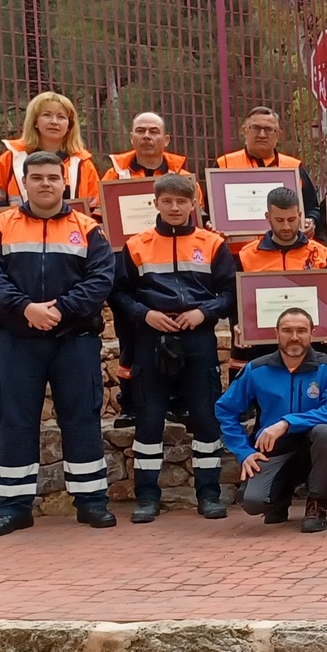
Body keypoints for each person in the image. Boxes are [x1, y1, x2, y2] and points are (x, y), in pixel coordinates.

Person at [0, 151, 117, 535]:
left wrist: (60, 311)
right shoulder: (0, 227)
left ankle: (91, 502)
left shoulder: (88, 228)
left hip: (74, 338)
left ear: (64, 183)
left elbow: (101, 278)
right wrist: (25, 309)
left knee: (82, 417)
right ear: (24, 182)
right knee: (16, 421)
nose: (46, 183)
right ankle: (14, 507)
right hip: (17, 339)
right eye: (37, 177)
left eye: (53, 177)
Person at [112, 172, 237, 522]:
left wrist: (204, 311)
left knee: (204, 417)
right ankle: (147, 497)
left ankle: (209, 494)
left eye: (182, 201)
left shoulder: (212, 243)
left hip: (197, 336)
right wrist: (145, 315)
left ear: (194, 204)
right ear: (155, 203)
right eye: (167, 201)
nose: (174, 207)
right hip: (152, 337)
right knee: (149, 419)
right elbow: (119, 294)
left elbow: (230, 293)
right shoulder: (136, 244)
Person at [218, 306, 327, 532]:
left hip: (313, 444)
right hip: (275, 450)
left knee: (325, 432)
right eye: (287, 330)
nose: (294, 337)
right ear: (276, 333)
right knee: (253, 502)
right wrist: (243, 451)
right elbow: (225, 409)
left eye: (301, 330)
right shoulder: (257, 369)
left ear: (312, 333)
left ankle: (317, 503)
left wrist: (287, 422)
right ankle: (279, 498)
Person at [230, 186, 327, 372]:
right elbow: (234, 298)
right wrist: (238, 325)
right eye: (279, 220)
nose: (286, 226)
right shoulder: (246, 255)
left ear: (300, 215)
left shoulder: (320, 253)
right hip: (260, 346)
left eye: (292, 220)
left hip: (310, 345)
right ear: (267, 217)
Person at [0, 91, 101, 208]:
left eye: (61, 117)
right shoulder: (11, 158)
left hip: (72, 226)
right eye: (47, 115)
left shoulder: (83, 164)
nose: (54, 122)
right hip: (18, 226)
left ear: (69, 126)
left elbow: (96, 209)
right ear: (35, 122)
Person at [105, 112, 191, 181]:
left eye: (154, 131)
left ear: (166, 140)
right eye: (140, 131)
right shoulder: (114, 177)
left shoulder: (185, 180)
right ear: (131, 138)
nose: (146, 136)